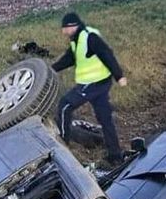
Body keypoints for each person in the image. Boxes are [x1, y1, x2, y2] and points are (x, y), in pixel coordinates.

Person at [52, 12, 127, 163]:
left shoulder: (89, 37)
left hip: (93, 84)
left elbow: (107, 54)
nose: (63, 31)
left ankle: (63, 146)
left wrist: (119, 76)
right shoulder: (76, 40)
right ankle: (115, 156)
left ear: (73, 26)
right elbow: (70, 59)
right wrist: (51, 69)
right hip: (99, 84)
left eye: (65, 28)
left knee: (65, 105)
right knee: (105, 118)